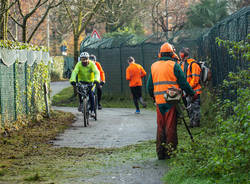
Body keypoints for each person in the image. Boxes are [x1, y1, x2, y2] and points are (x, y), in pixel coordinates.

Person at [146, 43, 197, 160]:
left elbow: (149, 86)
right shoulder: (174, 65)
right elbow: (183, 83)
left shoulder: (153, 66)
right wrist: (192, 94)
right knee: (170, 126)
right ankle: (170, 152)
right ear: (171, 53)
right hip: (171, 101)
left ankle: (160, 153)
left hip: (159, 102)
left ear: (160, 53)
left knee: (160, 126)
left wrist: (154, 97)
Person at [70, 52, 100, 116]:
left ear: (88, 59)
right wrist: (73, 80)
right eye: (82, 59)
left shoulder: (92, 64)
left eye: (86, 59)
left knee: (91, 94)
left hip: (91, 82)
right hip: (82, 81)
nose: (84, 61)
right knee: (80, 91)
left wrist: (96, 80)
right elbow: (74, 72)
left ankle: (92, 110)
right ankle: (81, 103)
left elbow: (96, 72)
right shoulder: (79, 64)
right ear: (80, 59)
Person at [179, 48, 202, 127]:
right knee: (189, 108)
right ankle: (192, 123)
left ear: (186, 56)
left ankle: (196, 123)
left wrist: (188, 88)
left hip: (194, 91)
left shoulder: (194, 65)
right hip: (188, 91)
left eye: (182, 56)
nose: (181, 58)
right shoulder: (182, 65)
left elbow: (195, 80)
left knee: (195, 108)